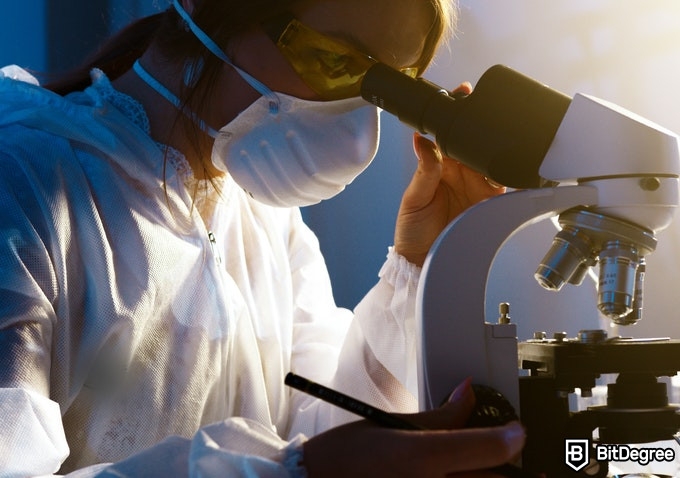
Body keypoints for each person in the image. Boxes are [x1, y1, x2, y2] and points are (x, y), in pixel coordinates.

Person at [0, 0, 519, 476]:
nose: (359, 122)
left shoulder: (266, 218)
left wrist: (414, 265)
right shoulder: (24, 185)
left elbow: (331, 434)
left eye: (389, 87)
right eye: (336, 61)